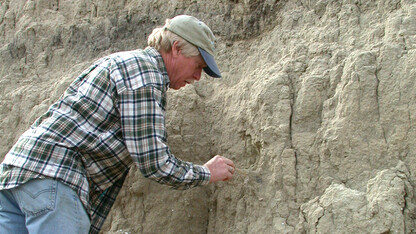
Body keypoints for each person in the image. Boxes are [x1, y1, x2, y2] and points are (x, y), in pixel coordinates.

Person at [0, 15, 235, 234]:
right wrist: (206, 172)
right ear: (176, 49)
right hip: (53, 180)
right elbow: (154, 163)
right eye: (198, 66)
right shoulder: (145, 75)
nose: (197, 77)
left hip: (16, 176)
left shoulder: (122, 61)